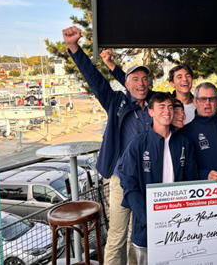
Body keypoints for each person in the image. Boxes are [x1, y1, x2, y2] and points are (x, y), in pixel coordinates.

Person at [63, 25, 151, 265]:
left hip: (148, 179)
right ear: (127, 83)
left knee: (140, 235)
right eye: (135, 79)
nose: (141, 83)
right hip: (120, 179)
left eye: (145, 79)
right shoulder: (116, 102)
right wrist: (74, 47)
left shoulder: (156, 106)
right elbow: (95, 79)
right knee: (117, 236)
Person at [119, 92, 197, 265]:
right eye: (161, 107)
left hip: (178, 224)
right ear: (151, 112)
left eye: (170, 107)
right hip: (146, 228)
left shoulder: (184, 143)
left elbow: (192, 181)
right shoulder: (138, 143)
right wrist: (147, 218)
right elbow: (129, 184)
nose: (167, 111)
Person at [100, 50, 197, 123]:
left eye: (188, 76)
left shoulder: (201, 104)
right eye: (179, 77)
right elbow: (134, 85)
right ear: (172, 83)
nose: (184, 80)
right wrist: (110, 63)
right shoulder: (163, 100)